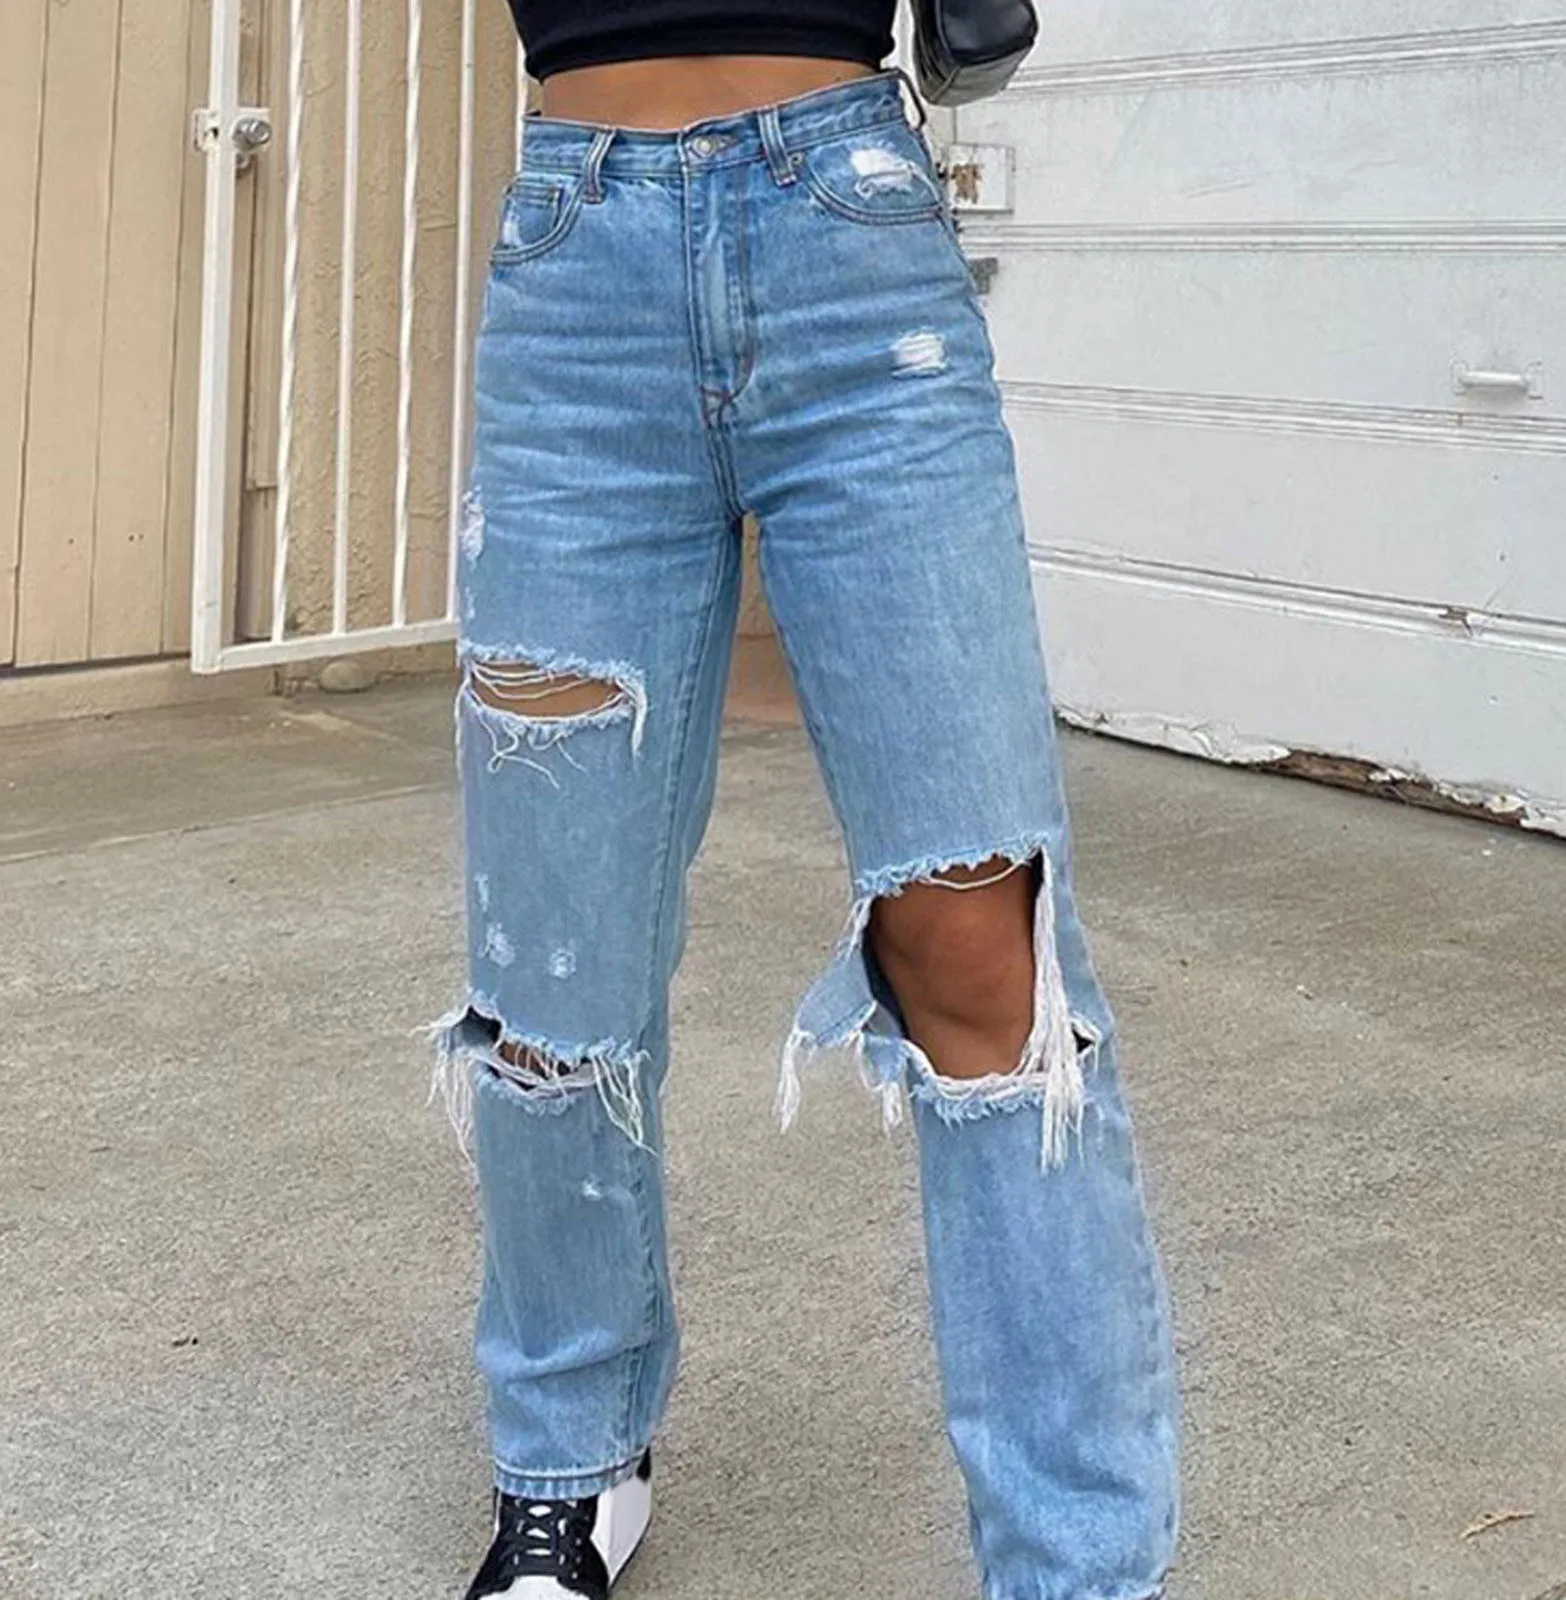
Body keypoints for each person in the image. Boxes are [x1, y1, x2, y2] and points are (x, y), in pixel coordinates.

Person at [430, 5, 1180, 1597]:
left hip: (849, 252)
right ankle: (566, 1462)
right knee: (549, 971)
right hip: (578, 273)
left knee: (979, 951)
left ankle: (1077, 1565)